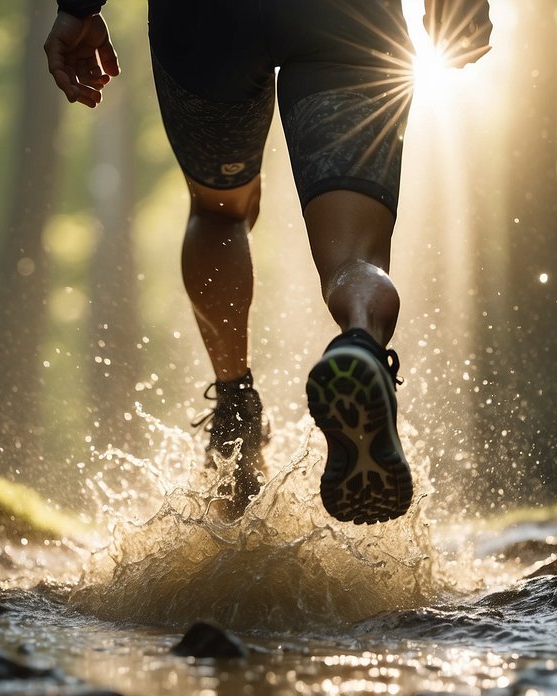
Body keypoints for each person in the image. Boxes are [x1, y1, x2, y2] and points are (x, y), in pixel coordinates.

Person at [45, 0, 491, 523]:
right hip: (347, 16)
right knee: (352, 258)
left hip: (206, 24)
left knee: (219, 213)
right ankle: (361, 345)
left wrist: (77, 7)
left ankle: (235, 410)